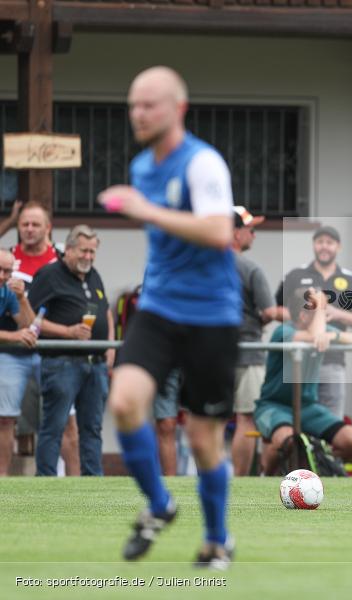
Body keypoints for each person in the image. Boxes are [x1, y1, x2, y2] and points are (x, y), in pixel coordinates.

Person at [98, 66, 241, 569]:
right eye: (133, 104)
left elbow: (219, 232)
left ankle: (217, 540)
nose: (138, 113)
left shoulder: (203, 164)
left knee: (202, 439)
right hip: (159, 307)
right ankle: (159, 504)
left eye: (149, 105)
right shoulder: (142, 168)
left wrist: (146, 210)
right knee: (124, 401)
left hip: (212, 316)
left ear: (177, 108)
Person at [28, 225, 114, 477]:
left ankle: (93, 483)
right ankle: (45, 482)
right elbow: (30, 319)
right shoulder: (49, 274)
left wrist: (110, 344)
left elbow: (105, 310)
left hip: (95, 361)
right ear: (69, 249)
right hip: (62, 361)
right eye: (83, 251)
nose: (88, 257)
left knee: (92, 428)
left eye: (92, 252)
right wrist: (68, 332)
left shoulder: (93, 274)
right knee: (53, 427)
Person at [255, 288, 352, 475]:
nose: (323, 314)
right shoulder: (283, 332)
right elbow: (314, 338)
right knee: (286, 439)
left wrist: (333, 335)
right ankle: (266, 475)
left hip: (307, 407)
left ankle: (322, 463)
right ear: (303, 315)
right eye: (318, 311)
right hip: (273, 406)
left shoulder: (322, 331)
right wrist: (320, 309)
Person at [7, 201, 79, 471]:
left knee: (66, 421)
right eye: (24, 223)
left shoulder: (62, 259)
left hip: (53, 352)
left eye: (35, 224)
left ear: (48, 227)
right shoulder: (7, 259)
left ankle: (77, 487)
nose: (29, 229)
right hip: (11, 352)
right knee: (5, 420)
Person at [276, 225, 352, 419]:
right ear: (313, 245)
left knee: (332, 422)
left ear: (339, 247)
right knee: (297, 420)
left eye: (329, 242)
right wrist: (308, 315)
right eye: (320, 242)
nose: (324, 247)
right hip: (297, 359)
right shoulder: (295, 275)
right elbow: (275, 310)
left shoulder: (351, 279)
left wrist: (337, 314)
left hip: (333, 361)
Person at [231, 205, 281, 476]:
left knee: (209, 420)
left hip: (207, 352)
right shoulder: (249, 268)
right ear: (235, 233)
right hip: (248, 354)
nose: (254, 235)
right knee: (246, 419)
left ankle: (211, 481)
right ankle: (239, 481)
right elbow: (269, 312)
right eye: (251, 230)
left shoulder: (201, 265)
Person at [0, 247, 37, 475]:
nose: (3, 276)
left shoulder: (7, 292)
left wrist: (22, 299)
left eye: (7, 271)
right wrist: (13, 336)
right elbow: (18, 333)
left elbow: (29, 326)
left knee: (5, 420)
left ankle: (2, 479)